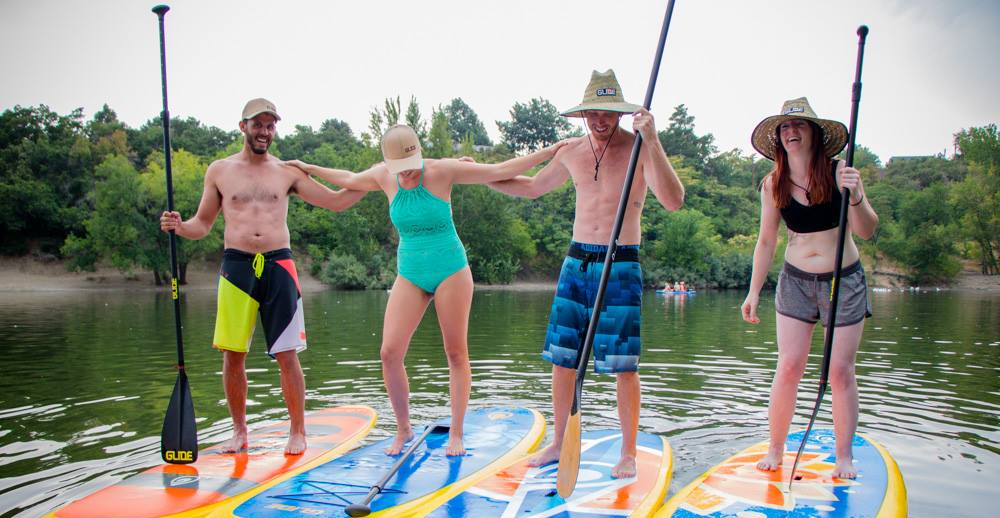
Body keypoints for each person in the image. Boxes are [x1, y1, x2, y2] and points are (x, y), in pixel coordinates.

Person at [286, 125, 566, 456]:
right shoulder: (382, 177)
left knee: (455, 353)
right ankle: (403, 430)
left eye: (411, 162)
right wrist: (309, 168)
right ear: (387, 162)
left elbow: (501, 170)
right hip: (411, 273)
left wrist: (548, 151)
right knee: (389, 353)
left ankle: (457, 434)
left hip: (450, 269)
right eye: (399, 166)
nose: (407, 171)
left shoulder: (442, 169)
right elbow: (347, 178)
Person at [488, 69, 684, 478]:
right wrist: (483, 177)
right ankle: (560, 443)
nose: (600, 121)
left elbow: (673, 201)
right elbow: (531, 188)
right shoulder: (571, 151)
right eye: (593, 112)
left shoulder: (640, 149)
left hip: (621, 262)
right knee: (562, 360)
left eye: (608, 113)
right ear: (582, 114)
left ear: (621, 113)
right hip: (576, 263)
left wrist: (654, 138)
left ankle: (628, 452)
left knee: (624, 365)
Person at [159, 98, 366, 455]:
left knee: (288, 353)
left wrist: (375, 179)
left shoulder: (287, 172)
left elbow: (336, 202)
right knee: (232, 354)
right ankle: (240, 433)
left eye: (271, 126)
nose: (265, 132)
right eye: (259, 124)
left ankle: (297, 432)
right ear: (243, 126)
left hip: (279, 265)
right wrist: (178, 227)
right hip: (236, 265)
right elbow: (202, 225)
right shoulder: (220, 171)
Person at [741, 97, 878, 479]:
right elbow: (766, 241)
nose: (791, 132)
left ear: (815, 134)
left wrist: (859, 194)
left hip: (843, 279)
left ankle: (844, 455)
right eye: (785, 127)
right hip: (796, 281)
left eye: (798, 126)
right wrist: (753, 292)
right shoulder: (773, 183)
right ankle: (775, 449)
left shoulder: (840, 173)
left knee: (840, 371)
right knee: (788, 367)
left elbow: (866, 229)